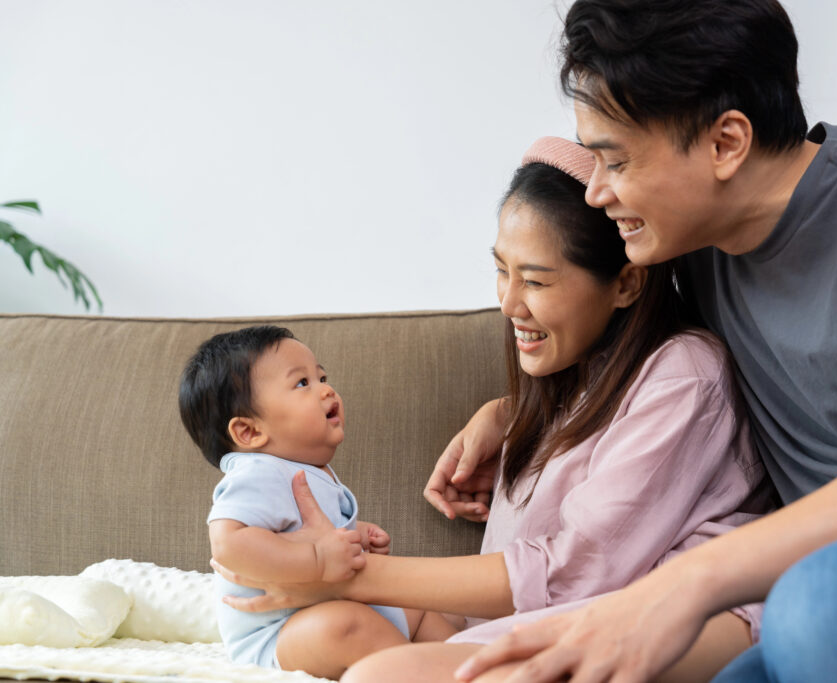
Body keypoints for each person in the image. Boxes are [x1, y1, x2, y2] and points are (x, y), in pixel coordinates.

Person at [445, 1, 837, 682]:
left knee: (821, 603)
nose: (598, 191)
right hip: (821, 605)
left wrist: (690, 582)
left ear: (726, 143)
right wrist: (509, 415)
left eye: (616, 160)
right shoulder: (694, 250)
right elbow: (616, 346)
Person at [211, 137, 774, 683]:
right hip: (561, 618)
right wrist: (508, 413)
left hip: (660, 618)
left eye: (534, 280)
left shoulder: (685, 374)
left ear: (626, 283)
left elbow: (577, 571)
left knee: (379, 674)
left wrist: (349, 578)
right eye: (502, 270)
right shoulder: (565, 380)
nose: (507, 304)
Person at [178, 325, 458, 678]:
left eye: (321, 376)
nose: (327, 389)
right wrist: (318, 559)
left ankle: (473, 666)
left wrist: (354, 533)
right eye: (302, 383)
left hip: (325, 604)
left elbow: (306, 530)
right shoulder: (257, 472)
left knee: (418, 607)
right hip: (277, 634)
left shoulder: (302, 469)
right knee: (346, 626)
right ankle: (422, 673)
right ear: (249, 432)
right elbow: (227, 542)